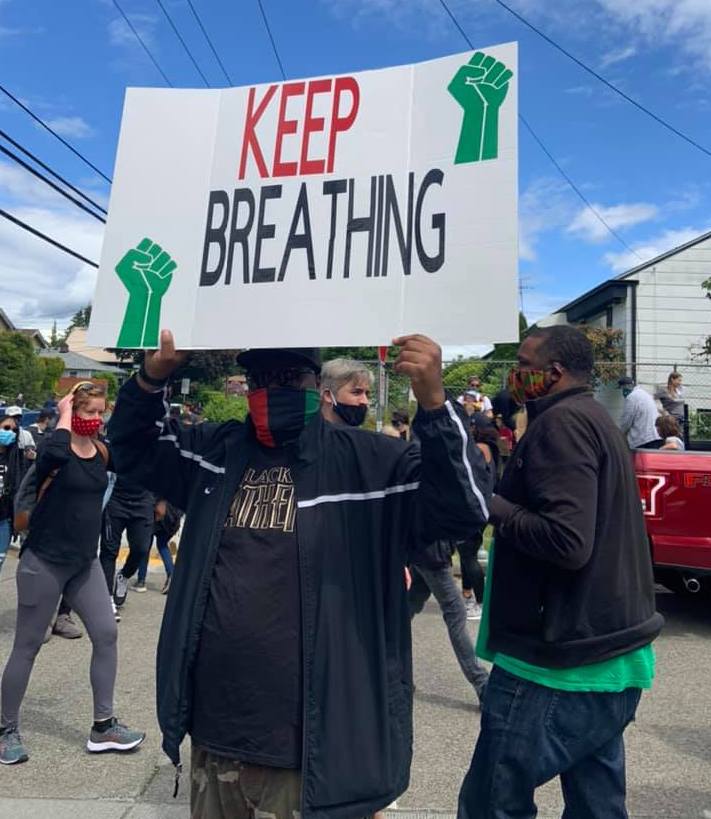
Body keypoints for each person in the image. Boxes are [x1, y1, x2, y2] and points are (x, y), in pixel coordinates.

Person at [107, 330, 491, 819]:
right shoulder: (214, 454)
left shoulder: (372, 464)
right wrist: (154, 375)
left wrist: (435, 404)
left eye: (290, 377)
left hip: (315, 751)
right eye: (260, 378)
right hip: (216, 735)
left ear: (317, 386)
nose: (273, 389)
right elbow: (132, 448)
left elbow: (465, 507)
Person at [458, 325, 664, 819]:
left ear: (552, 373)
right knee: (597, 807)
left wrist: (494, 507)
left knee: (491, 804)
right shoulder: (594, 418)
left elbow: (568, 541)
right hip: (610, 658)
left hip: (557, 664)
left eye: (525, 363)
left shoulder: (562, 425)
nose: (515, 374)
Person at [0, 383, 144, 765]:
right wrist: (64, 415)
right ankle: (5, 729)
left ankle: (103, 725)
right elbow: (53, 452)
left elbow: (130, 459)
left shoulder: (100, 451)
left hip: (84, 563)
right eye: (88, 412)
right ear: (72, 411)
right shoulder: (55, 451)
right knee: (27, 646)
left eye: (100, 413)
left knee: (107, 633)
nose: (95, 420)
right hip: (43, 562)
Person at [409, 538, 489, 704]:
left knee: (405, 611)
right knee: (456, 613)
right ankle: (482, 683)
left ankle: (392, 670)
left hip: (424, 550)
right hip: (433, 553)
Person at [100, 466, 156, 616]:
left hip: (143, 502)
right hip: (115, 500)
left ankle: (124, 575)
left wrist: (162, 500)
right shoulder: (114, 442)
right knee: (109, 551)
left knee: (141, 549)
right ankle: (107, 600)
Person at [0, 414, 30, 576]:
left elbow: (19, 489)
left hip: (4, 521)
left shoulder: (15, 459)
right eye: (5, 428)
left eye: (14, 430)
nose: (10, 432)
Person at [133, 499, 181, 595]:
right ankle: (171, 574)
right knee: (162, 545)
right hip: (172, 515)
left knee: (146, 544)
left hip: (156, 510)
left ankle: (141, 581)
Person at [320, 357, 373, 427]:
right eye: (356, 392)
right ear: (328, 396)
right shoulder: (308, 435)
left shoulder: (365, 437)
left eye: (367, 394)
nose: (365, 401)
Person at [618, 376, 660, 449]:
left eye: (622, 388)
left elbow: (626, 421)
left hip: (642, 439)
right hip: (655, 436)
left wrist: (619, 435)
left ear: (624, 387)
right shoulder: (645, 394)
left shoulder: (631, 397)